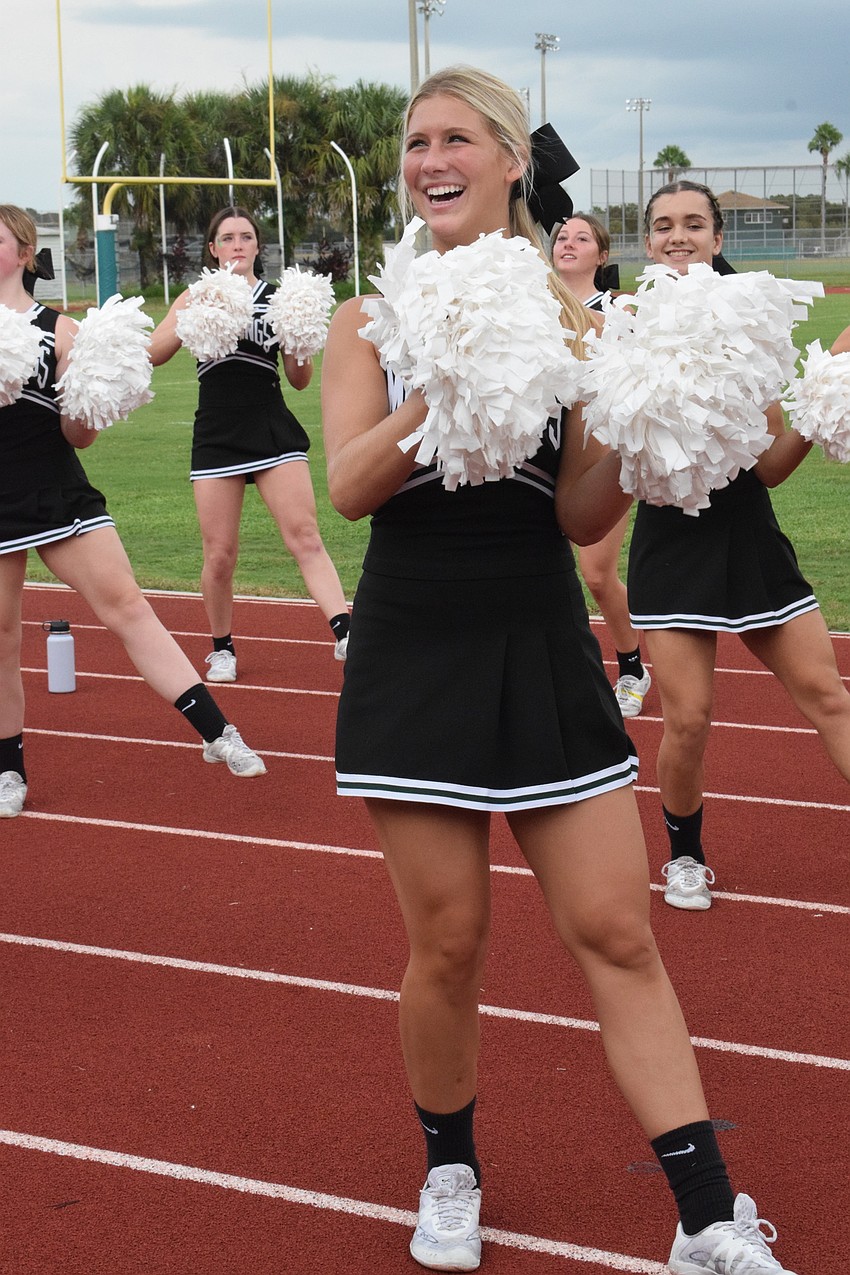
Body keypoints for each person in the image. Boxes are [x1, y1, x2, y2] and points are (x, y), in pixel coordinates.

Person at [321, 71, 797, 1275]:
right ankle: (449, 1174)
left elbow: (579, 516)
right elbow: (350, 487)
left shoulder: (577, 314)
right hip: (415, 640)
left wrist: (646, 422)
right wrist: (448, 376)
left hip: (538, 642)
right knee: (451, 943)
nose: (430, 158)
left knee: (618, 932)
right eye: (416, 142)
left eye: (456, 139)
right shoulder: (365, 322)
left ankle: (705, 1220)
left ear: (509, 160)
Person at [0, 205, 265, 821]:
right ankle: (9, 768)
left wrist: (88, 396)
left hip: (56, 492)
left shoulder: (62, 330)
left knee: (126, 606)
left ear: (23, 252)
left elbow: (78, 436)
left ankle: (217, 731)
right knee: (3, 636)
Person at [629, 180, 850, 911]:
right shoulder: (624, 327)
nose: (679, 235)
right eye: (664, 226)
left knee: (828, 695)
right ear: (647, 241)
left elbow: (771, 468)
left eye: (694, 224)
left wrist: (828, 392)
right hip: (670, 543)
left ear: (719, 240)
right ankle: (685, 856)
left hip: (750, 536)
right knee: (688, 718)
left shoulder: (748, 328)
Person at [148, 206, 349, 683]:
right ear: (213, 249)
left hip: (270, 428)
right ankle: (222, 649)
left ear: (258, 246)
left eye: (246, 237)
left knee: (305, 537)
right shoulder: (194, 296)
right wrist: (189, 311)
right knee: (220, 554)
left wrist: (300, 335)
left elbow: (299, 380)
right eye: (227, 238)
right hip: (216, 435)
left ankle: (345, 633)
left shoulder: (279, 297)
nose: (237, 245)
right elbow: (154, 353)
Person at [551, 214, 651, 718]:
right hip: (543, 454)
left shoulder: (618, 310)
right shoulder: (531, 310)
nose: (568, 244)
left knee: (594, 572)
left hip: (600, 453)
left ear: (602, 256)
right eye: (561, 237)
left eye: (582, 238)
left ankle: (632, 666)